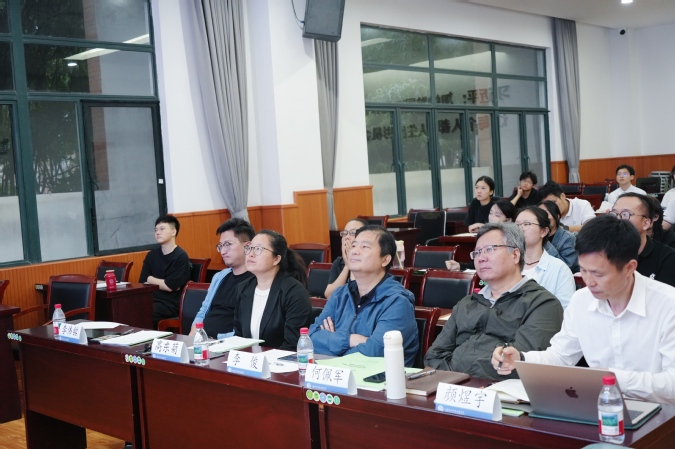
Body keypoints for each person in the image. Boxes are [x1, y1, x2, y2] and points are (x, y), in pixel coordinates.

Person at [492, 215, 675, 404]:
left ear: (629, 268)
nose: (589, 281)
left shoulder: (668, 305)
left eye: (598, 274)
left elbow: (672, 384)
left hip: (662, 413)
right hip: (600, 406)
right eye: (584, 270)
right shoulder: (581, 300)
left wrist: (610, 379)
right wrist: (520, 358)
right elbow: (561, 357)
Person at [424, 222, 563, 380]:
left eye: (489, 249)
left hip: (499, 391)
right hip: (453, 387)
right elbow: (433, 356)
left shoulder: (542, 304)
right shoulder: (467, 303)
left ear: (515, 255)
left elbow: (516, 365)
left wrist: (461, 377)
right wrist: (455, 381)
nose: (481, 258)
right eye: (477, 252)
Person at [309, 225, 419, 366]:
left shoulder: (397, 302)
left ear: (385, 260)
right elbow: (311, 339)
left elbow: (374, 352)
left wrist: (332, 342)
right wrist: (351, 339)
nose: (355, 251)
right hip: (338, 374)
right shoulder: (340, 294)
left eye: (365, 247)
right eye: (354, 245)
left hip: (380, 377)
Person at [233, 230, 312, 350]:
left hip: (281, 360)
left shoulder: (294, 292)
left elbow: (292, 345)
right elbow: (239, 337)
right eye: (249, 248)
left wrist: (263, 359)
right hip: (250, 359)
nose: (251, 254)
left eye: (258, 249)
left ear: (276, 259)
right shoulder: (243, 288)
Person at [190, 218, 255, 338]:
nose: (223, 251)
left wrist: (217, 340)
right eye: (220, 246)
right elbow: (203, 311)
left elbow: (248, 326)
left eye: (228, 245)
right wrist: (193, 335)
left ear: (247, 246)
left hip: (230, 343)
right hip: (204, 340)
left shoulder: (256, 279)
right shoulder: (220, 276)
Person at [515, 206, 576, 308]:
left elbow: (565, 310)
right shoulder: (506, 265)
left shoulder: (559, 269)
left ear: (543, 231)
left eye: (526, 224)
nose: (520, 228)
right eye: (517, 225)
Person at [611, 193, 675, 287]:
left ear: (646, 223)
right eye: (614, 214)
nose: (618, 219)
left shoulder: (668, 258)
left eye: (625, 214)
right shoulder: (603, 252)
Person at [139, 215, 191, 327]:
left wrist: (150, 279)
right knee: (128, 307)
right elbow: (143, 281)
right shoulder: (151, 255)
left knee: (145, 312)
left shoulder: (180, 256)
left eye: (162, 229)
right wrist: (161, 283)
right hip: (151, 299)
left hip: (170, 304)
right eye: (156, 230)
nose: (157, 233)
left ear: (173, 232)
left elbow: (170, 286)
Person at [446, 199, 514, 272]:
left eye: (497, 215)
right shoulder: (484, 235)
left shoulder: (511, 238)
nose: (491, 217)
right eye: (490, 213)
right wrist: (460, 266)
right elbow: (476, 262)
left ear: (508, 220)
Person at [324, 217, 369, 298]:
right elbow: (329, 295)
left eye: (353, 233)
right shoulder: (339, 262)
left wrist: (353, 261)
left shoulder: (369, 261)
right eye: (345, 233)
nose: (347, 237)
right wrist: (347, 266)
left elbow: (356, 296)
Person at [539, 200, 579, 272]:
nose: (543, 218)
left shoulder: (568, 238)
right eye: (539, 214)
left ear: (557, 216)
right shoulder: (534, 236)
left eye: (546, 213)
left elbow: (565, 267)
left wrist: (544, 241)